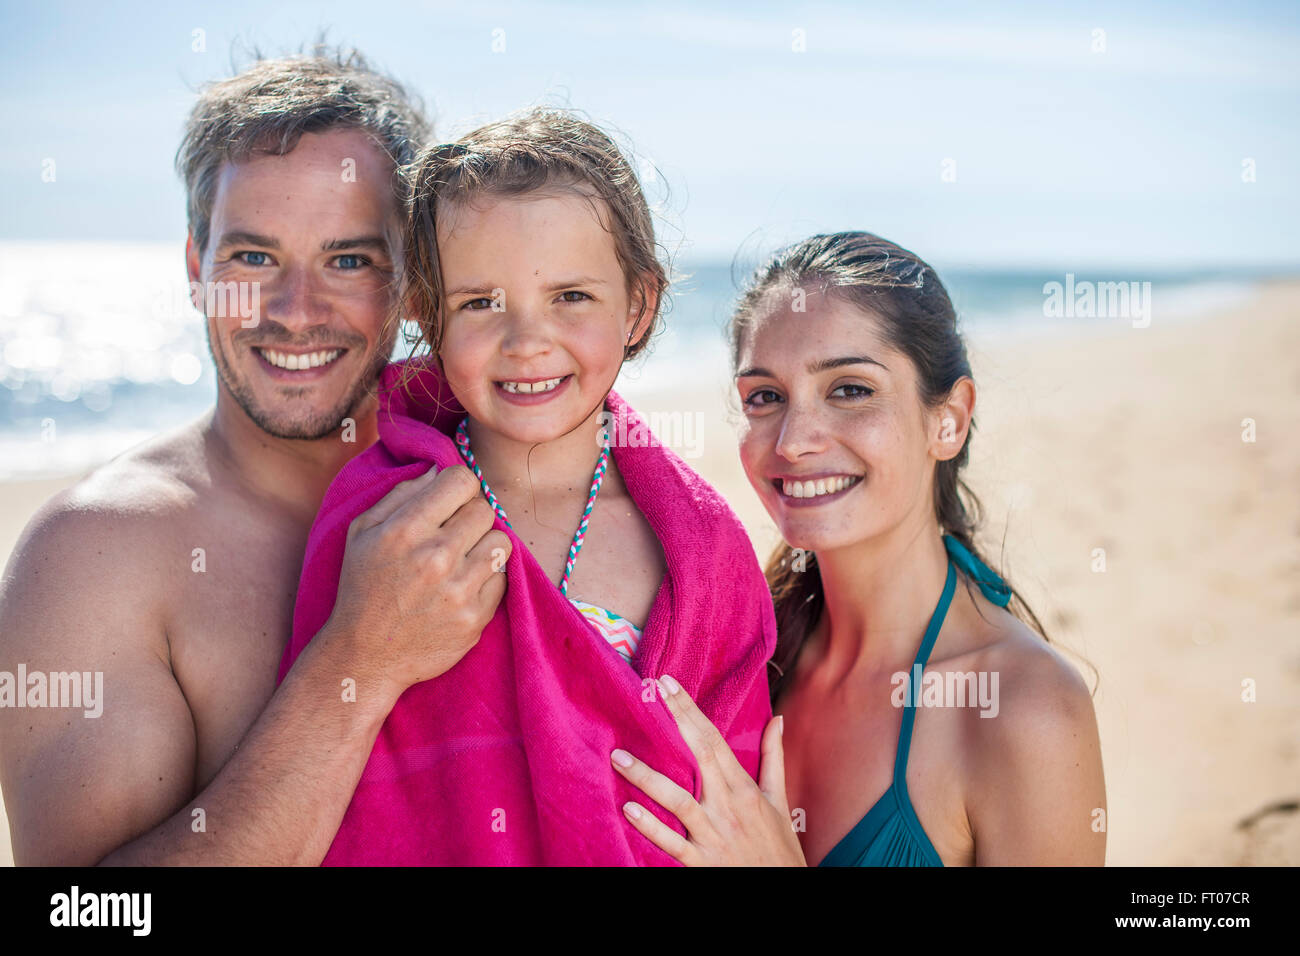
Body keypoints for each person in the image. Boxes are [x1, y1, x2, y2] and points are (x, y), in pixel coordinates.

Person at [0, 48, 508, 865]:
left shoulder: (497, 483)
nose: (295, 312)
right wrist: (357, 665)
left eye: (348, 260)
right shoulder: (98, 556)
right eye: (253, 258)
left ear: (414, 279)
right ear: (198, 269)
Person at [278, 109, 777, 864]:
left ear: (637, 305)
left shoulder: (702, 548)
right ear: (426, 315)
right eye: (480, 303)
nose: (526, 340)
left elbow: (735, 790)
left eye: (571, 297)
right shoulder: (384, 516)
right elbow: (337, 777)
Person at [611, 231, 1107, 865]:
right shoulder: (743, 652)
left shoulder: (1024, 709)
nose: (793, 440)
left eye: (850, 389)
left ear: (948, 418)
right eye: (765, 397)